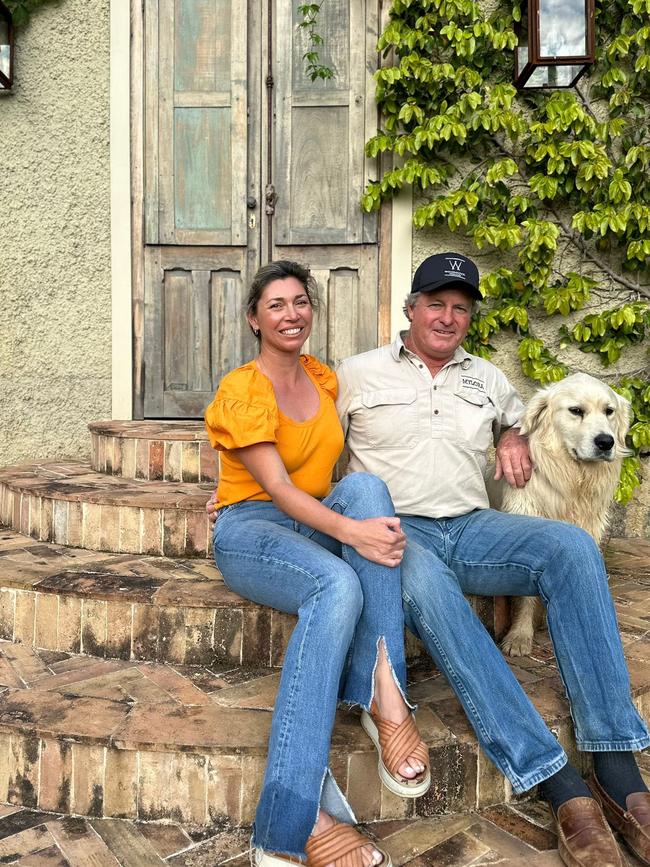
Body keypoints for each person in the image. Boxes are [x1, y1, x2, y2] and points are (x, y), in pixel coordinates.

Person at [334, 252, 650, 867]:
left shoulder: (488, 379)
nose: (447, 317)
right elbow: (303, 434)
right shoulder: (357, 374)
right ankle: (556, 782)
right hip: (401, 533)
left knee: (573, 547)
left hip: (475, 526)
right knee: (429, 589)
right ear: (410, 309)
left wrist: (509, 435)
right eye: (436, 304)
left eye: (460, 308)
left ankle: (617, 767)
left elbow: (520, 421)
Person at [204, 260, 430, 867]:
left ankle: (385, 695)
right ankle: (291, 821)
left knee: (370, 492)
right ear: (254, 319)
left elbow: (320, 473)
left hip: (310, 517)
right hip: (251, 530)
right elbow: (275, 489)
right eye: (275, 304)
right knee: (336, 585)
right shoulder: (242, 389)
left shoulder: (324, 379)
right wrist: (349, 532)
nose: (291, 314)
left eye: (301, 302)